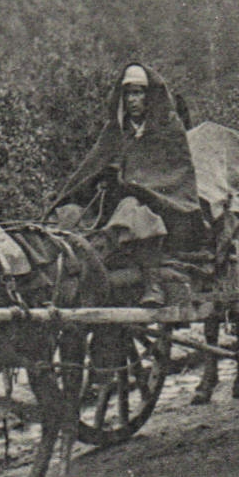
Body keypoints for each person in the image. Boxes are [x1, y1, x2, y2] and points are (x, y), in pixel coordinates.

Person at [51, 63, 200, 306]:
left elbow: (176, 173)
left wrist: (134, 184)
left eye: (138, 93)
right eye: (128, 94)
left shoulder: (168, 128)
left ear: (149, 96)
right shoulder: (115, 130)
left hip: (162, 207)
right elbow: (92, 167)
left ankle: (152, 283)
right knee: (70, 214)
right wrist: (103, 179)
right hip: (112, 204)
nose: (132, 100)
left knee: (133, 210)